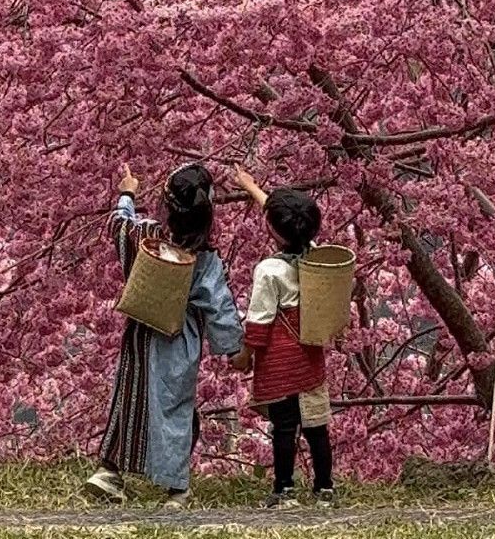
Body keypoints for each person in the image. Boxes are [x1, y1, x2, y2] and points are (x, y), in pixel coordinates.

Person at [86, 162, 245, 507]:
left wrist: (127, 191)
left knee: (130, 398)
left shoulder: (145, 237)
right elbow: (219, 304)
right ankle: (177, 489)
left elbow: (118, 224)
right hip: (179, 341)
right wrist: (234, 348)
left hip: (141, 335)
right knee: (174, 408)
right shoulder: (203, 258)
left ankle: (111, 469)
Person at [233, 165, 335, 508]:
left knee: (285, 427)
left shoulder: (269, 271)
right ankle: (324, 488)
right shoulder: (316, 254)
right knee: (316, 426)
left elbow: (259, 321)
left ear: (273, 231)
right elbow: (285, 218)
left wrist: (246, 356)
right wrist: (252, 188)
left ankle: (285, 488)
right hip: (310, 356)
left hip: (279, 359)